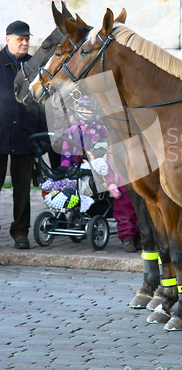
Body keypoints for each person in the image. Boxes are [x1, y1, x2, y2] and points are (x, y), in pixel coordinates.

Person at [60, 96, 141, 253]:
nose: (83, 113)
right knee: (123, 199)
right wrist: (66, 170)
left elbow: (106, 153)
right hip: (87, 170)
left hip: (108, 169)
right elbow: (66, 155)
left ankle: (137, 235)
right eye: (80, 109)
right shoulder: (72, 131)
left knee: (133, 201)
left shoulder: (101, 129)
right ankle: (128, 236)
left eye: (86, 109)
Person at [0, 20, 49, 249]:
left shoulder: (33, 67)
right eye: (20, 39)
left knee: (22, 190)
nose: (25, 43)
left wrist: (43, 137)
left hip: (25, 135)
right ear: (8, 39)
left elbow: (42, 104)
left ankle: (20, 233)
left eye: (27, 39)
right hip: (0, 136)